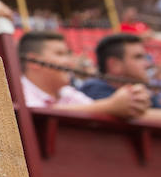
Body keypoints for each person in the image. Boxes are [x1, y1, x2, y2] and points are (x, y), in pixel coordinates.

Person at [18, 31, 149, 119]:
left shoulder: (66, 92)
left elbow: (91, 108)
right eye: (60, 54)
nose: (70, 62)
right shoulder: (17, 92)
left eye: (68, 54)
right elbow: (34, 116)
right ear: (33, 61)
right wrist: (110, 105)